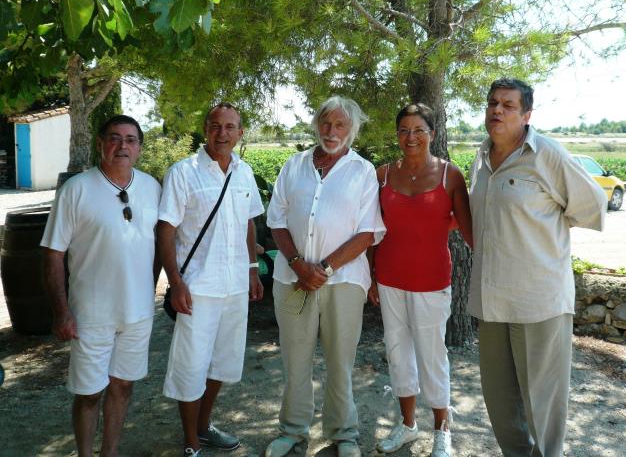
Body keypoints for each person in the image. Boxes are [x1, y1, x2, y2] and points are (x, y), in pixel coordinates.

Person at [469, 78, 607, 457]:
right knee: (499, 400)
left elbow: (592, 205)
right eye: (492, 102)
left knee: (541, 404)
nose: (497, 110)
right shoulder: (480, 157)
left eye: (508, 105)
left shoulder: (548, 154)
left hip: (538, 300)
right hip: (491, 299)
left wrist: (542, 240)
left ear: (527, 114)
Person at [265, 96, 386, 457]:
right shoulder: (295, 165)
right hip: (292, 279)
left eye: (340, 125)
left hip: (345, 282)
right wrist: (300, 264)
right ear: (317, 124)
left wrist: (324, 269)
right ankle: (292, 430)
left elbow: (367, 233)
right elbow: (277, 220)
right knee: (295, 358)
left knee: (340, 361)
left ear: (352, 130)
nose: (331, 131)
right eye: (326, 123)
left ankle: (344, 433)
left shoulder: (362, 171)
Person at [41, 115, 161, 457]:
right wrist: (61, 312)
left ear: (139, 147)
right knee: (89, 392)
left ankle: (109, 452)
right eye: (114, 138)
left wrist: (149, 290)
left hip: (137, 313)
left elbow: (157, 245)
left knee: (123, 386)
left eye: (131, 139)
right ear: (99, 143)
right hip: (91, 313)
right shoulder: (76, 190)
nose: (122, 146)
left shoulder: (152, 187)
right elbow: (52, 255)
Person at [158, 102, 264, 457]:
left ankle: (203, 427)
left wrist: (252, 269)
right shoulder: (183, 172)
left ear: (240, 133)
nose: (222, 133)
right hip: (197, 288)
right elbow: (166, 230)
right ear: (205, 128)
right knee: (191, 364)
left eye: (230, 127)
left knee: (223, 361)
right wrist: (175, 282)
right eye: (216, 126)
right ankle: (191, 444)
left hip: (234, 285)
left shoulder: (244, 172)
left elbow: (249, 223)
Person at [367, 103, 472, 456]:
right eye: (403, 130)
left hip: (432, 281)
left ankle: (442, 429)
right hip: (389, 279)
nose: (410, 137)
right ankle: (408, 425)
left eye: (418, 130)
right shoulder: (381, 175)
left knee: (432, 357)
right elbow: (370, 229)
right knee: (398, 355)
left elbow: (463, 224)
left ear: (432, 133)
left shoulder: (450, 176)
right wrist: (370, 276)